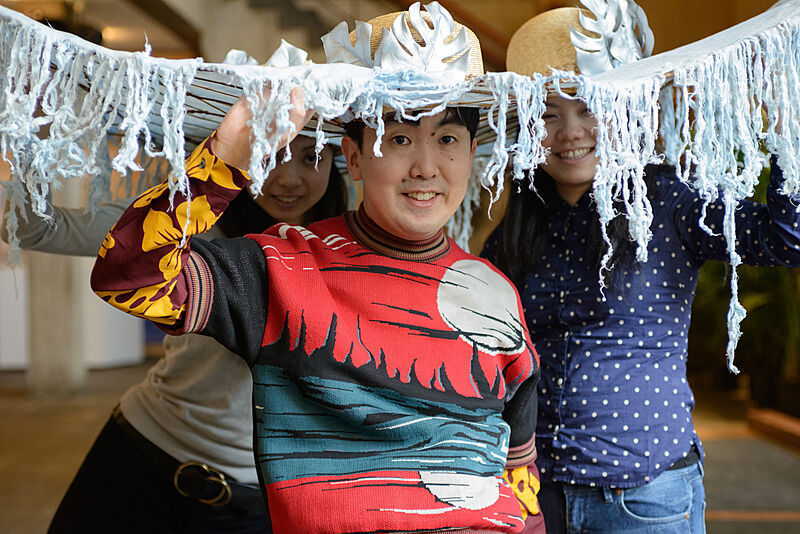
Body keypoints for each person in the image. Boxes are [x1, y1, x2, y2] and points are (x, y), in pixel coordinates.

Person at [90, 4, 544, 532]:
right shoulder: (283, 268)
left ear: (471, 154)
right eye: (398, 138)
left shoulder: (495, 292)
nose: (426, 167)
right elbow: (129, 276)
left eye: (447, 139)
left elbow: (516, 473)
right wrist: (227, 160)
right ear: (352, 157)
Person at [480, 5, 800, 534]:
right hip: (536, 495)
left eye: (588, 107)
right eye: (550, 113)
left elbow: (788, 238)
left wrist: (786, 125)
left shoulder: (670, 203)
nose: (570, 132)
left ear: (625, 109)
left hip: (645, 496)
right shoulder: (516, 226)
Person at [2, 132, 347, 534]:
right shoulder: (188, 225)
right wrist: (36, 137)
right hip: (136, 459)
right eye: (267, 156)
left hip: (254, 501)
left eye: (312, 157)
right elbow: (33, 229)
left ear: (341, 163)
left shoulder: (352, 253)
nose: (287, 180)